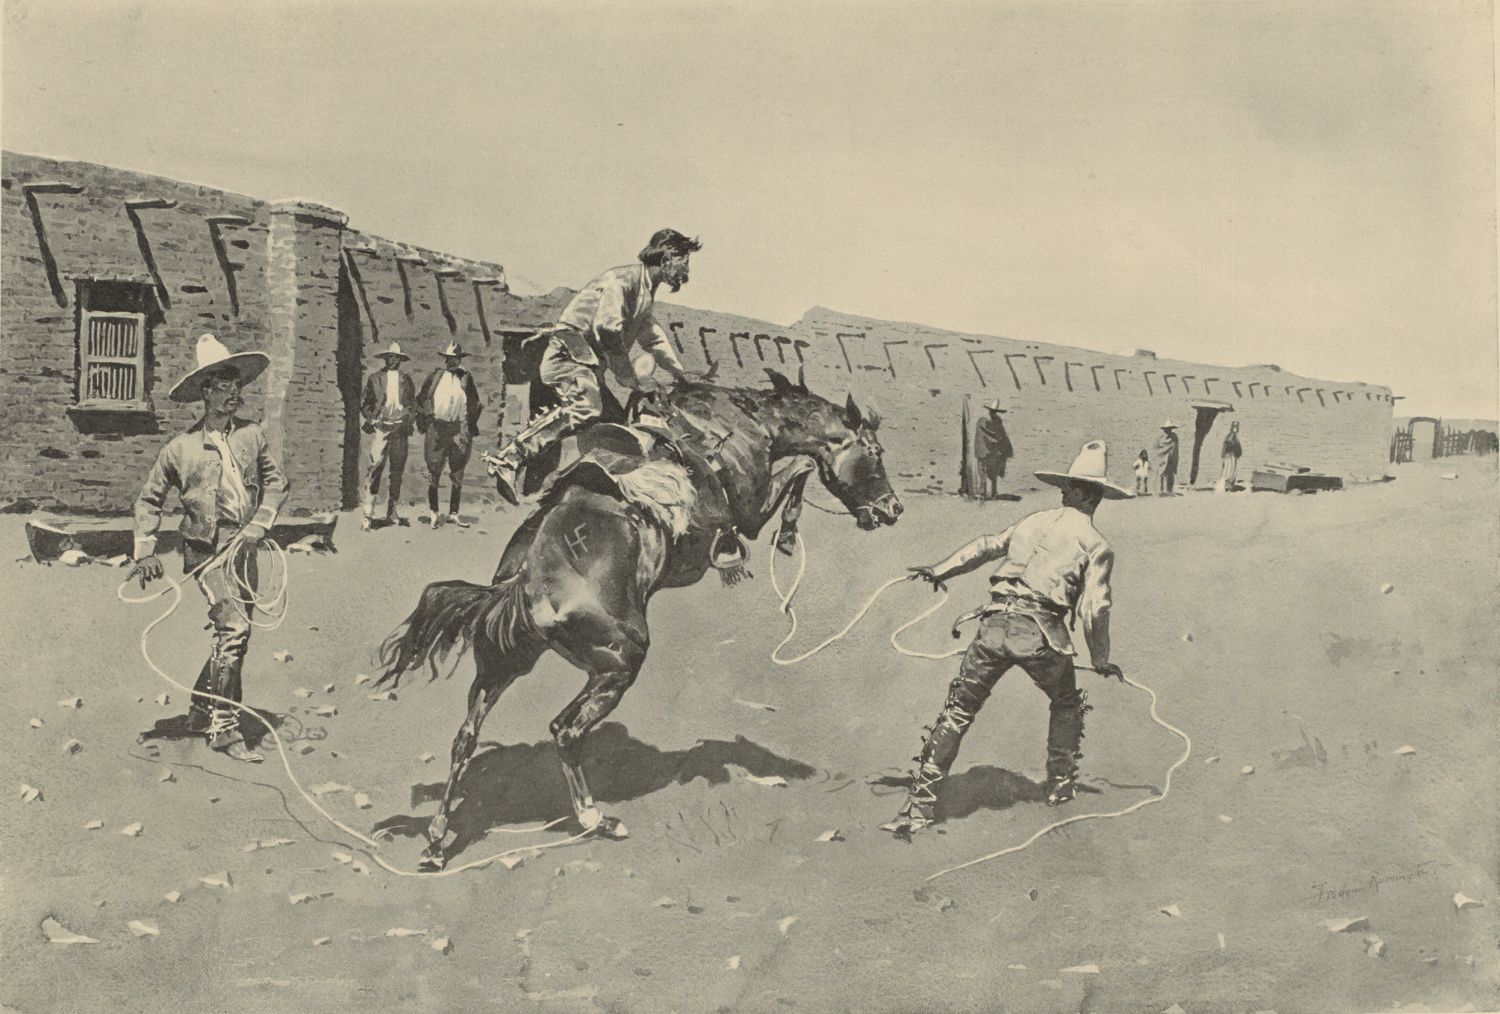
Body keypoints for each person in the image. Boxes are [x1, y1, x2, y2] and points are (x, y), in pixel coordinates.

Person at [881, 440, 1130, 839]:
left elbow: (986, 546)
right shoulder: (1096, 544)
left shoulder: (1032, 521)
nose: (1077, 496)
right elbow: (1095, 608)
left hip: (994, 625)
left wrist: (940, 570)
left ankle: (921, 804)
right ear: (1092, 496)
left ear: (1070, 491)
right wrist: (1100, 657)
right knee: (1066, 702)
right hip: (1040, 633)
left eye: (1070, 488)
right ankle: (1060, 785)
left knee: (958, 711)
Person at [127, 334, 289, 764]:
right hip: (207, 553)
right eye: (223, 385)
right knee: (233, 632)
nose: (234, 393)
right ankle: (224, 729)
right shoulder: (179, 449)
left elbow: (277, 482)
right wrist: (145, 552)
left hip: (246, 547)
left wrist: (260, 522)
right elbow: (149, 500)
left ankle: (201, 710)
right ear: (205, 392)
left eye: (237, 385)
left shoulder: (253, 435)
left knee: (235, 632)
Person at [484, 229, 701, 504]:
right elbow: (607, 329)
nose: (686, 271)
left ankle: (565, 489)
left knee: (619, 434)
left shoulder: (645, 292)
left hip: (588, 368)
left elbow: (653, 337)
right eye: (684, 262)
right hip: (568, 355)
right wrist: (630, 379)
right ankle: (509, 458)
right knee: (588, 406)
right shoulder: (622, 281)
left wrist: (680, 373)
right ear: (667, 258)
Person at [417, 342, 482, 529]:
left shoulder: (466, 378)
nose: (452, 362)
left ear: (460, 360)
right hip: (437, 428)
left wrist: (468, 425)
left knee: (457, 471)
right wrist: (428, 418)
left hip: (458, 429)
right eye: (449, 359)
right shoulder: (435, 377)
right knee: (433, 470)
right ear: (445, 360)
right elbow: (421, 399)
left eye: (455, 359)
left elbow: (475, 403)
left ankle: (454, 513)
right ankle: (434, 513)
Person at [359, 341, 416, 530]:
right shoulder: (375, 379)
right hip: (381, 428)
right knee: (374, 468)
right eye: (390, 357)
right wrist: (373, 419)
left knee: (397, 470)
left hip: (400, 429)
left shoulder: (406, 380)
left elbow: (412, 405)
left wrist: (407, 418)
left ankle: (392, 512)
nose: (393, 360)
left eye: (396, 358)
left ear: (400, 360)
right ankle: (368, 514)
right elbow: (365, 404)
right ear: (385, 358)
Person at [974, 401, 1014, 499]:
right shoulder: (983, 421)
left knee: (993, 472)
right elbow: (984, 435)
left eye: (995, 412)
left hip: (993, 451)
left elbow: (1001, 435)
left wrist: (1000, 445)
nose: (993, 413)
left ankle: (993, 492)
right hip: (985, 449)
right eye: (993, 411)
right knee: (983, 471)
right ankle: (984, 492)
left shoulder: (997, 421)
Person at [1155, 419, 1180, 496]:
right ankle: (1161, 490)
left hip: (1172, 458)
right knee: (1162, 473)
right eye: (1167, 428)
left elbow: (1175, 449)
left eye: (1170, 428)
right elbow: (1158, 449)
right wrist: (1162, 455)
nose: (1169, 430)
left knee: (1170, 474)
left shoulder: (1174, 437)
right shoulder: (1161, 438)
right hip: (1162, 459)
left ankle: (1169, 490)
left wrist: (1173, 458)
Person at [1217, 420, 1242, 492]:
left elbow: (1238, 448)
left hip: (1234, 457)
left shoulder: (1236, 439)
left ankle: (1230, 484)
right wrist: (1224, 456)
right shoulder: (1229, 438)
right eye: (1234, 428)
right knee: (1228, 471)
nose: (1235, 431)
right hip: (1229, 457)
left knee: (1233, 471)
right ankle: (1226, 485)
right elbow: (1225, 447)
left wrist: (1238, 454)